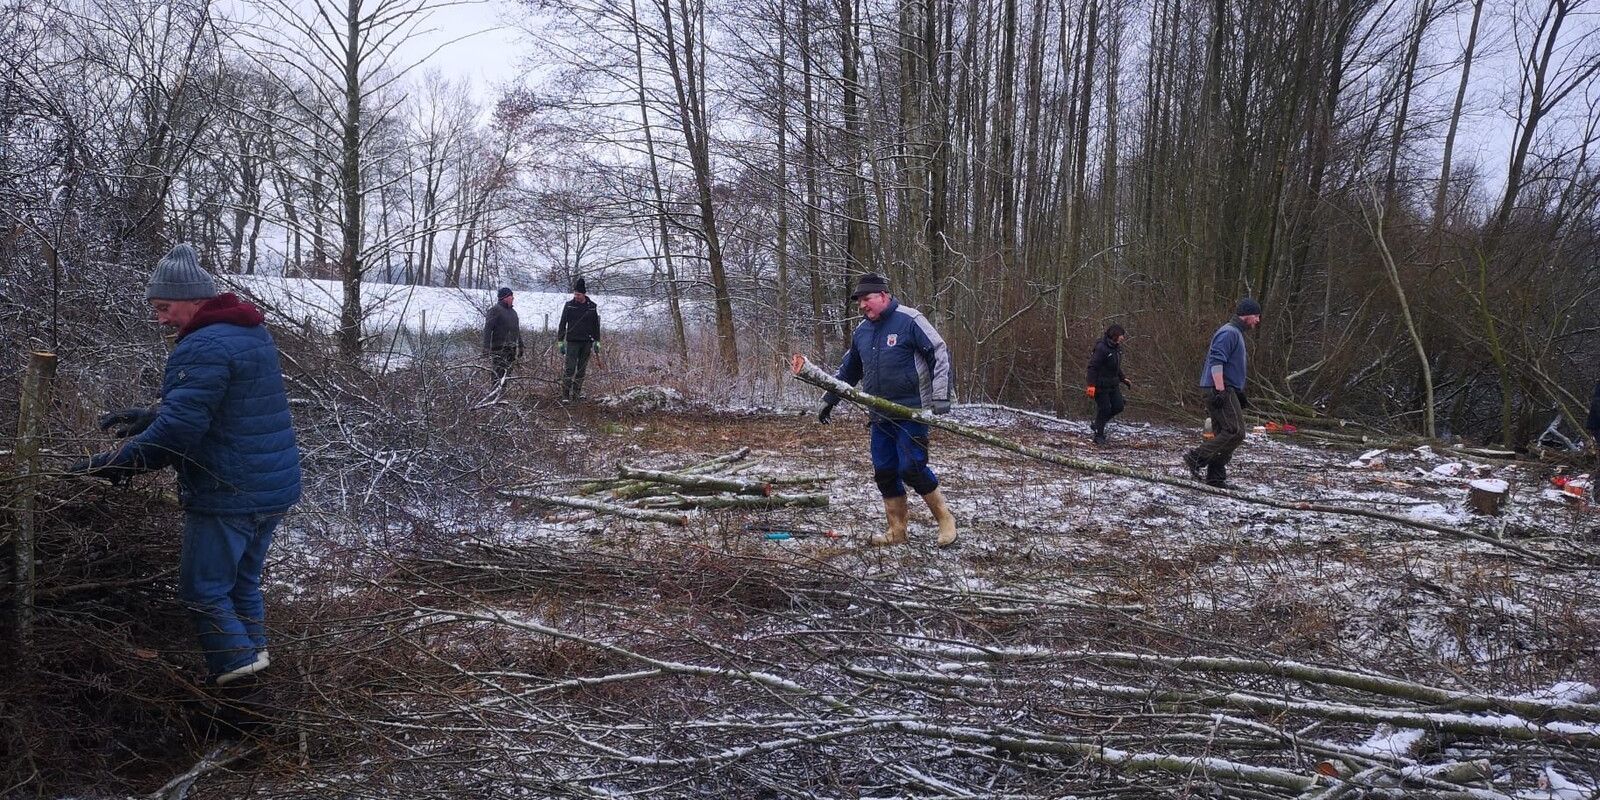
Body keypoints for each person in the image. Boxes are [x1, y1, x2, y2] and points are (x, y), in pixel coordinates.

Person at [69, 243, 302, 697]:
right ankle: (257, 667)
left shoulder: (203, 343)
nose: (160, 318)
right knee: (241, 585)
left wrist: (118, 462)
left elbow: (183, 430)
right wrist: (153, 414)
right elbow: (222, 405)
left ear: (192, 299)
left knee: (204, 591)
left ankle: (243, 698)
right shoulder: (247, 331)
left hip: (227, 490)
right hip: (270, 485)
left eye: (164, 307)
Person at [817, 273, 957, 547]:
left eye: (867, 299)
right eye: (859, 301)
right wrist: (829, 398)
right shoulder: (862, 332)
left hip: (912, 411)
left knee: (912, 467)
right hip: (879, 415)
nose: (862, 306)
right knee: (885, 470)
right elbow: (849, 370)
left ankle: (945, 521)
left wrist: (941, 397)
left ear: (883, 295)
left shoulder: (910, 320)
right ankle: (897, 531)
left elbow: (939, 353)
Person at [1182, 298, 1261, 488]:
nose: (1258, 320)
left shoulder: (1236, 333)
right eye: (1256, 316)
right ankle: (1196, 457)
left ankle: (1216, 478)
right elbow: (1216, 362)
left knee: (1222, 433)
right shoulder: (1229, 332)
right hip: (1220, 389)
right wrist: (1220, 389)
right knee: (1235, 431)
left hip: (1226, 388)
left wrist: (1237, 391)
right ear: (1247, 315)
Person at [1085, 324, 1133, 445]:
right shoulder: (1102, 348)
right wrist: (1091, 385)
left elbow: (1115, 367)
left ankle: (1097, 424)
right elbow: (1092, 367)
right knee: (1105, 409)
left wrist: (1123, 378)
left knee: (1119, 406)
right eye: (1122, 335)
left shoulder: (1117, 348)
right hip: (1100, 385)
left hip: (1113, 383)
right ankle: (1098, 435)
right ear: (1115, 335)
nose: (1123, 338)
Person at [556, 277, 601, 402]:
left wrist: (597, 341)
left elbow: (596, 326)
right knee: (570, 369)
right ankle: (565, 395)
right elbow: (562, 323)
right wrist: (560, 341)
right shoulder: (569, 306)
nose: (576, 296)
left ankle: (576, 395)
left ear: (584, 294)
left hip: (587, 342)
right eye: (575, 294)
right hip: (572, 342)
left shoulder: (592, 307)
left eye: (578, 294)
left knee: (581, 370)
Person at [483, 287, 522, 383]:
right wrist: (486, 347)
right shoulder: (495, 310)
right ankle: (495, 395)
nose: (513, 298)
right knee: (497, 375)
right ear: (504, 297)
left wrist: (521, 345)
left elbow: (517, 330)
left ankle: (503, 393)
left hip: (511, 349)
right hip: (499, 349)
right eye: (511, 296)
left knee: (507, 375)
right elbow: (487, 329)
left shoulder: (513, 313)